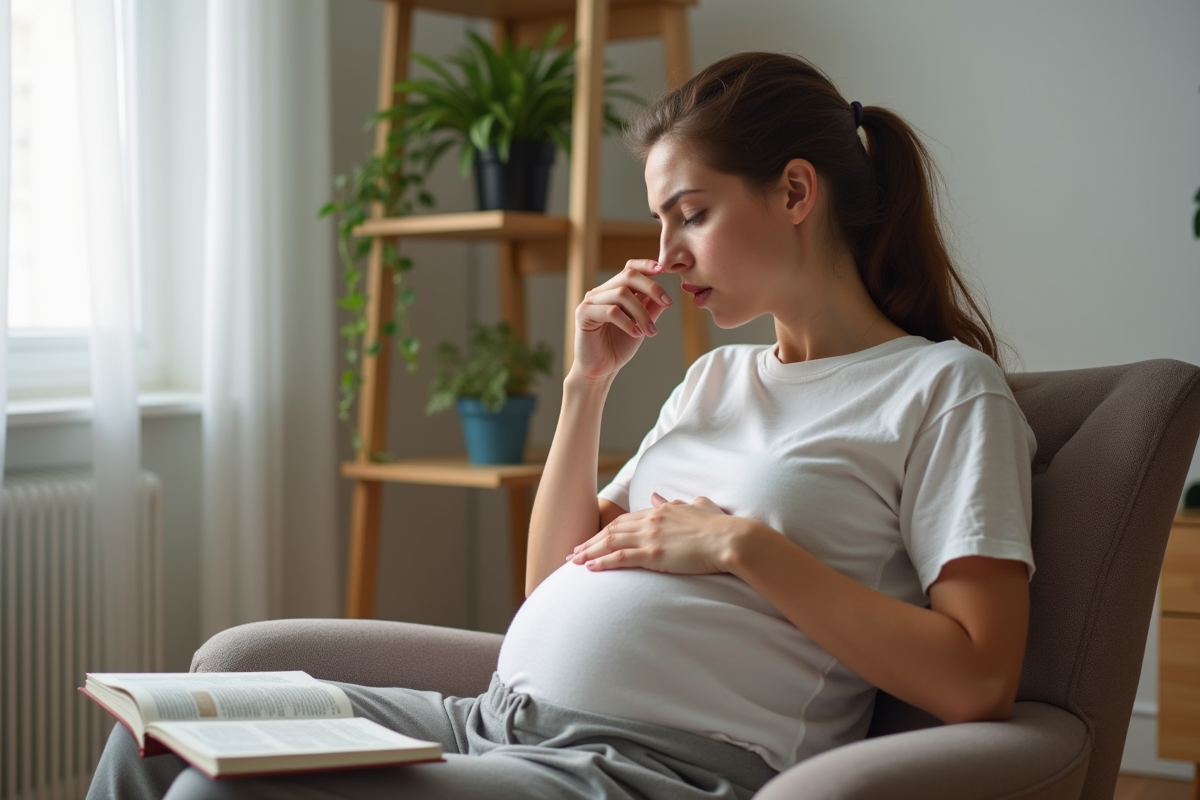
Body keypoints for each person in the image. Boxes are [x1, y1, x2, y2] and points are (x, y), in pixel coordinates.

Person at [87, 51, 1035, 800]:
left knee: (223, 797)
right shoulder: (714, 378)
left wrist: (744, 547)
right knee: (151, 749)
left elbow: (976, 680)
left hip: (643, 771)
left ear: (794, 193)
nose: (664, 257)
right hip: (489, 722)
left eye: (691, 215)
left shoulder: (943, 389)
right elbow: (549, 586)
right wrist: (588, 386)